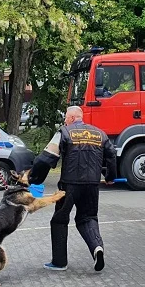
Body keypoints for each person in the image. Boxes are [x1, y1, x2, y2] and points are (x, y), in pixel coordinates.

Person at [28, 105, 117, 272]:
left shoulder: (64, 132)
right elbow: (111, 155)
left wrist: (34, 178)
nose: (65, 121)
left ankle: (59, 262)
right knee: (88, 218)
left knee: (59, 220)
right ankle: (97, 248)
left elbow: (47, 157)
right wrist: (110, 177)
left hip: (69, 185)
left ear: (71, 118)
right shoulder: (100, 134)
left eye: (66, 118)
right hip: (92, 185)